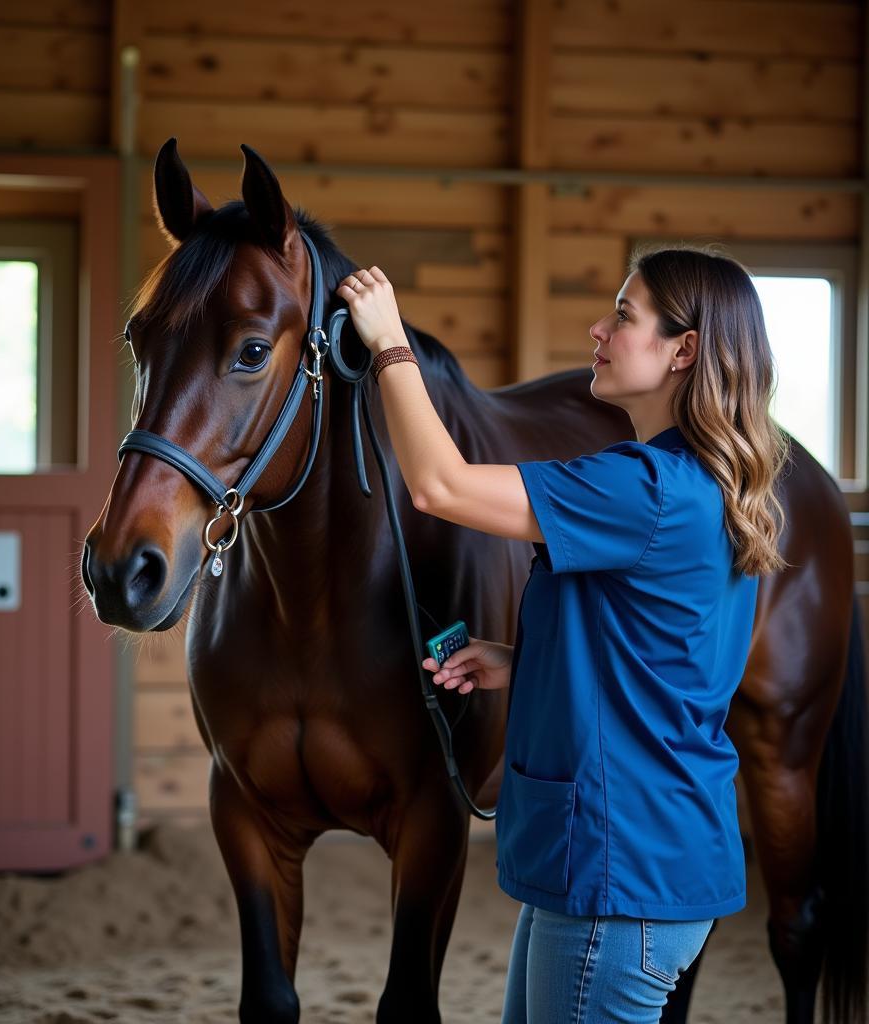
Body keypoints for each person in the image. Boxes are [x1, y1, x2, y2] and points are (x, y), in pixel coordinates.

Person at [335, 244, 789, 1022]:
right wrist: (522, 660)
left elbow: (438, 485)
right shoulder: (688, 483)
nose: (597, 330)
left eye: (623, 315)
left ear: (683, 350)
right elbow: (662, 654)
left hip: (620, 876)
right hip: (633, 863)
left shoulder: (645, 490)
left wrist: (390, 344)